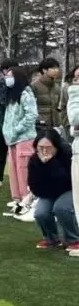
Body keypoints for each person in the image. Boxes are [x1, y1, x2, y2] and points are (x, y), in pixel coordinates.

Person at [27, 128, 79, 253]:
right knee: (41, 213)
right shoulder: (34, 160)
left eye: (48, 148)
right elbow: (33, 184)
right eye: (41, 147)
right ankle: (52, 239)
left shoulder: (67, 154)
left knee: (61, 207)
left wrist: (51, 163)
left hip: (71, 188)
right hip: (50, 192)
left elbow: (66, 179)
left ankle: (74, 239)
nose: (44, 151)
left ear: (56, 147)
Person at [2, 66, 39, 221]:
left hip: (24, 138)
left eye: (10, 76)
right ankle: (17, 198)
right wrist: (7, 132)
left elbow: (32, 115)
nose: (7, 79)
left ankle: (27, 199)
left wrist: (17, 129)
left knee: (24, 170)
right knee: (14, 169)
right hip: (11, 139)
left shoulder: (25, 95)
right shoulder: (11, 96)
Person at [0, 60, 18, 189]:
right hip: (2, 122)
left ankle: (19, 177)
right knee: (1, 150)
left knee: (19, 151)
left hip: (16, 123)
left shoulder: (20, 83)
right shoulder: (0, 85)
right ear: (4, 70)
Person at [31, 57, 63, 133]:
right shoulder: (34, 86)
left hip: (55, 125)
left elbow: (56, 106)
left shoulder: (57, 87)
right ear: (44, 70)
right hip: (40, 126)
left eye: (57, 68)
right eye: (53, 68)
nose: (56, 70)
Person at [67, 64, 79, 209]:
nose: (76, 81)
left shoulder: (75, 93)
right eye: (75, 78)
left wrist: (75, 93)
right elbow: (74, 125)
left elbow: (75, 117)